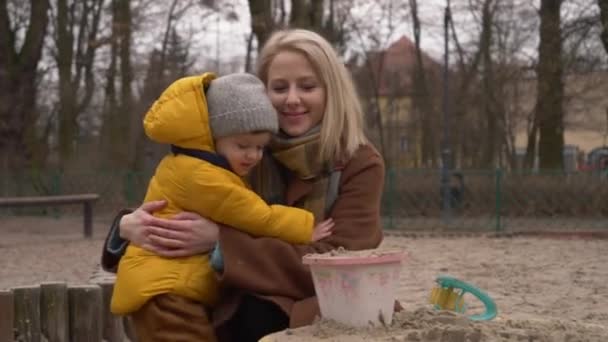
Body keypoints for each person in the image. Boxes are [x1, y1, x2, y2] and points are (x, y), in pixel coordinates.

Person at [102, 29, 386, 342]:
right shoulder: (243, 147)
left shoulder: (358, 162)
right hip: (229, 297)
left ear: (332, 91)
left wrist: (222, 244)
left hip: (321, 302)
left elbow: (341, 260)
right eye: (279, 87)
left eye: (307, 86)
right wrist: (126, 227)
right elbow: (184, 196)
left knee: (259, 312)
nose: (292, 99)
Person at [111, 72, 334, 341]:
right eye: (242, 146)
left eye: (261, 148)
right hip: (167, 292)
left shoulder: (200, 165)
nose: (253, 156)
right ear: (213, 138)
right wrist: (304, 227)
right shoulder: (203, 176)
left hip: (172, 286)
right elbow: (255, 215)